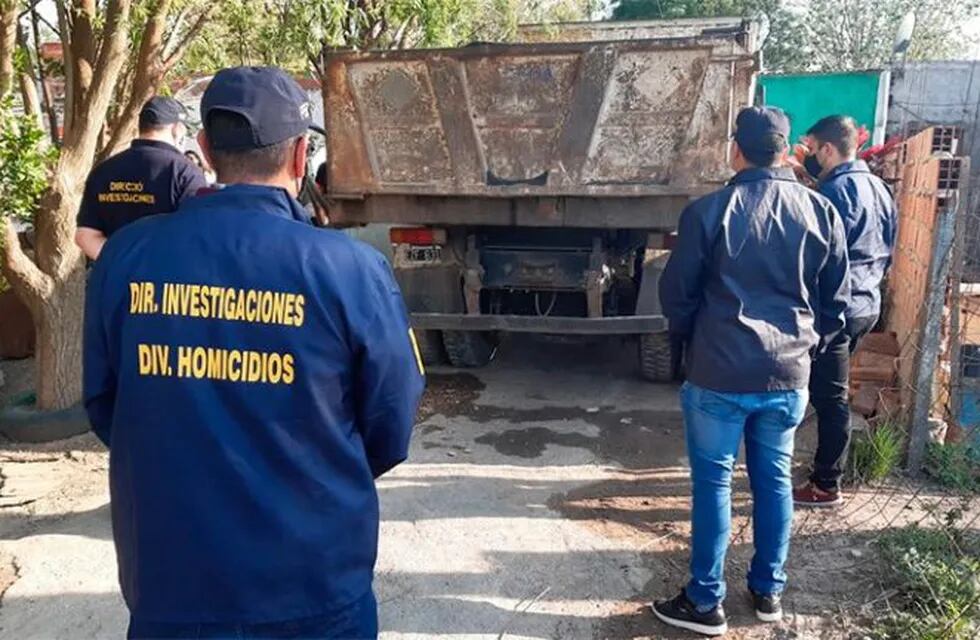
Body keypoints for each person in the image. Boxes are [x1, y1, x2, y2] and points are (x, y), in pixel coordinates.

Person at [82, 66, 426, 639]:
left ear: (204, 150)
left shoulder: (126, 256)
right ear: (299, 156)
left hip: (173, 588)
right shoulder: (350, 270)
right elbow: (390, 424)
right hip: (315, 590)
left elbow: (104, 405)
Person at [651, 107, 850, 636]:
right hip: (789, 375)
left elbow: (677, 295)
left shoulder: (707, 212)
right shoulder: (821, 211)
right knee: (774, 482)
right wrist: (808, 347)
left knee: (714, 485)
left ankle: (704, 602)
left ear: (735, 149)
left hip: (719, 372)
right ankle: (768, 592)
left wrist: (694, 342)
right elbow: (836, 302)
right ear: (786, 150)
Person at [794, 115, 898, 507]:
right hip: (866, 304)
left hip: (835, 310)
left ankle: (825, 484)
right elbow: (889, 246)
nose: (809, 156)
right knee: (827, 389)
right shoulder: (878, 188)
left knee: (831, 398)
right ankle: (820, 469)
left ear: (827, 149)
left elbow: (820, 258)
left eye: (811, 148)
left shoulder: (835, 193)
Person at [75, 97, 207, 260]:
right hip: (166, 279)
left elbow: (85, 236)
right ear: (177, 130)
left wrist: (121, 264)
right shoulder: (186, 172)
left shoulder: (104, 170)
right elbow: (198, 236)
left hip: (115, 281)